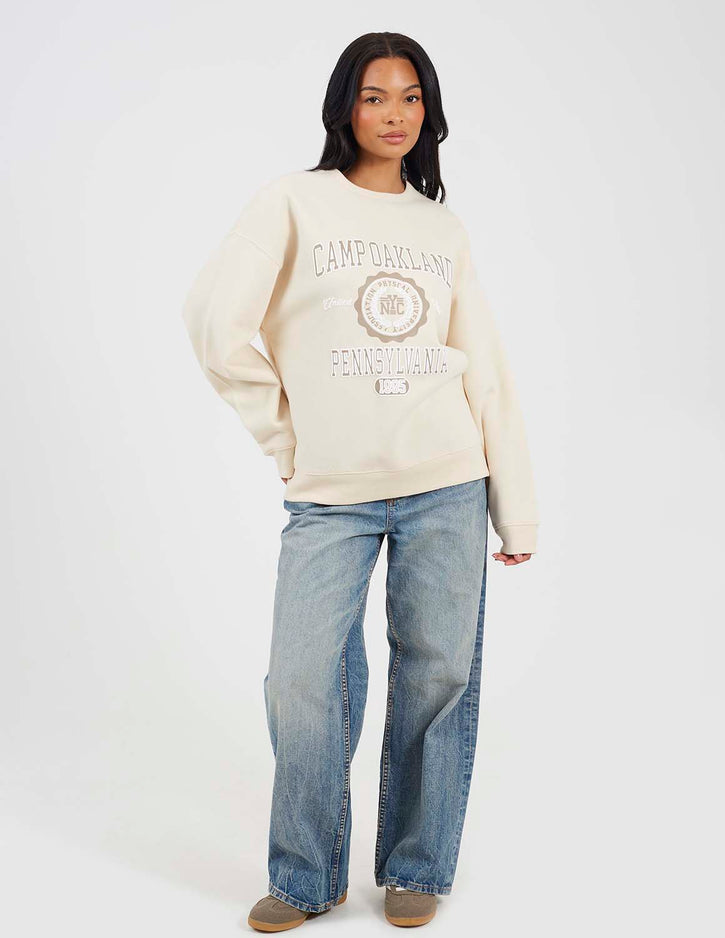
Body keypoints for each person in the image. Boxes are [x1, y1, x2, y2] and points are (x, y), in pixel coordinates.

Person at [182, 30, 539, 932]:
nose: (394, 114)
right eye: (376, 96)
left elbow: (487, 372)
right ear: (345, 106)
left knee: (438, 677)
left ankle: (417, 865)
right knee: (301, 682)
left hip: (448, 482)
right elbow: (215, 322)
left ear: (430, 112)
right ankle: (306, 877)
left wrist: (515, 506)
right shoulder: (292, 203)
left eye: (411, 97)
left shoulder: (441, 228)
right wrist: (287, 434)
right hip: (331, 495)